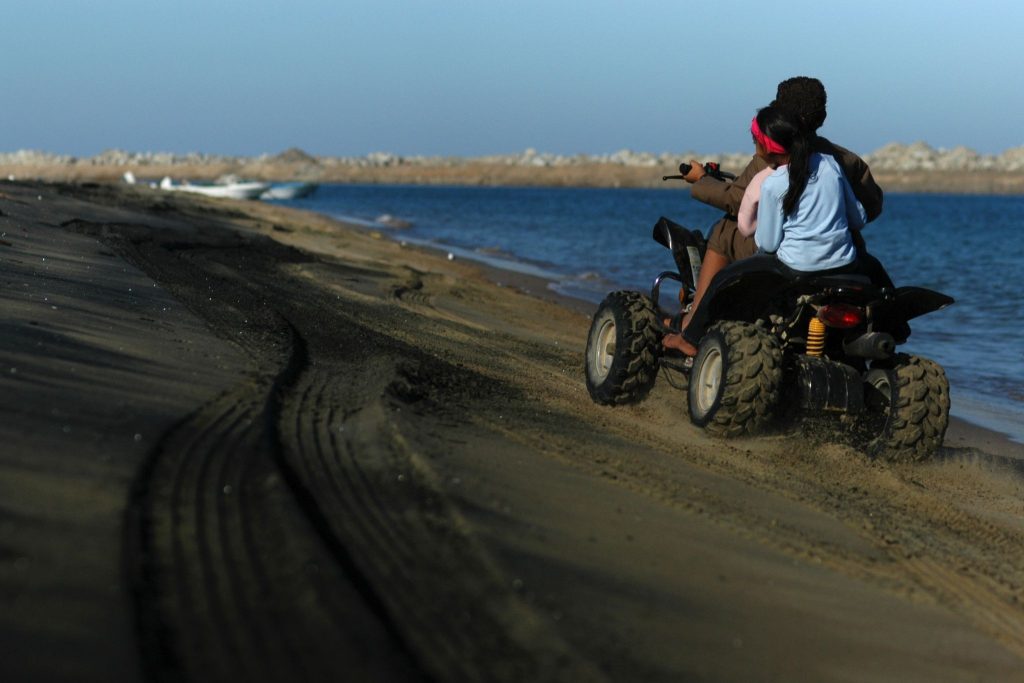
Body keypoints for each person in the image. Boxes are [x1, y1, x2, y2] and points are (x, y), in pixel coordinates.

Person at [673, 76, 884, 334]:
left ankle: (693, 323)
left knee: (724, 230)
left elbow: (736, 200)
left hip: (792, 259)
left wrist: (701, 180)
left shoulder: (772, 158)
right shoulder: (841, 160)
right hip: (843, 257)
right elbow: (871, 206)